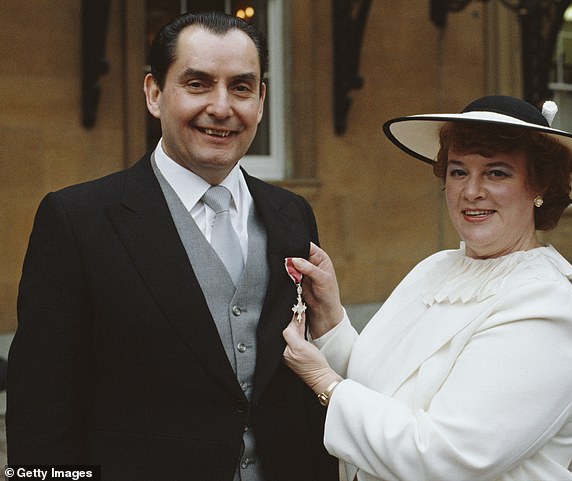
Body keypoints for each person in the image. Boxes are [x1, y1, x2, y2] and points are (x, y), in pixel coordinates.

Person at [7, 11, 337, 481]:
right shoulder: (77, 221)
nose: (222, 107)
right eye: (198, 84)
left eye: (241, 87)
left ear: (261, 100)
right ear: (155, 94)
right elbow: (42, 411)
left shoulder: (291, 215)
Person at [282, 95, 572, 481]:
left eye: (496, 173)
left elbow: (447, 459)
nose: (471, 191)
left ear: (538, 186)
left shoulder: (545, 305)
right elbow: (382, 389)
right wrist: (329, 318)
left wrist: (325, 385)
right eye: (458, 172)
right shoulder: (437, 267)